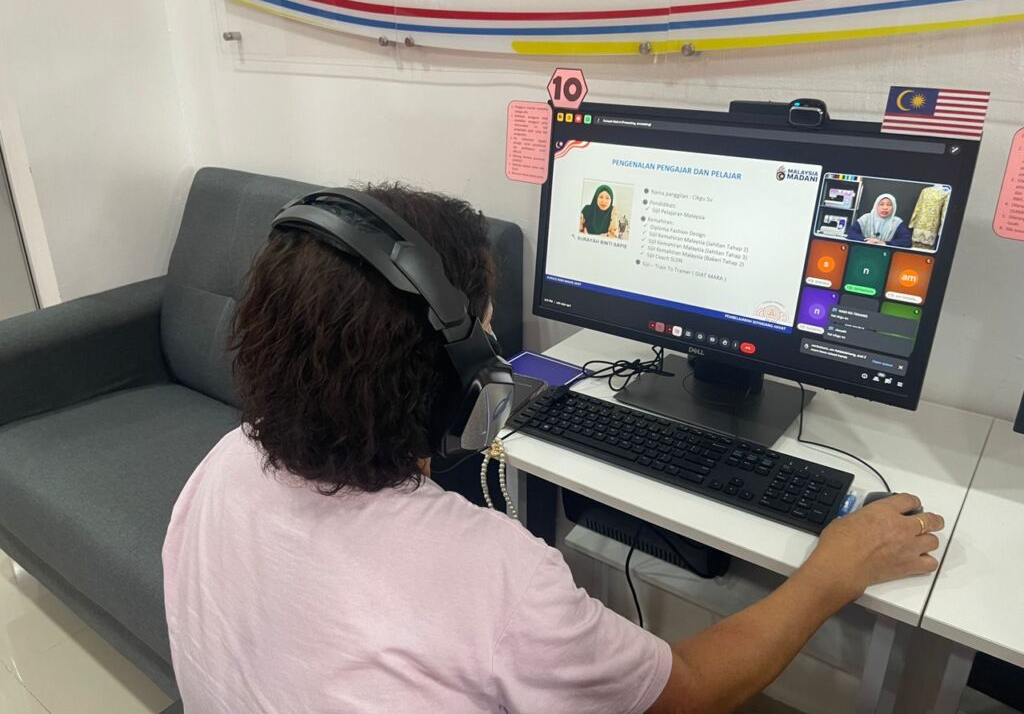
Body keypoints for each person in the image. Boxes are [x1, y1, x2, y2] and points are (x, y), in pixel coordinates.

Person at [163, 183, 944, 714]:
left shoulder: (223, 464)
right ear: (458, 379)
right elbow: (691, 689)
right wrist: (832, 572)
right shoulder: (496, 573)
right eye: (488, 334)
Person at [848, 193, 912, 247]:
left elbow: (907, 241)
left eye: (889, 205)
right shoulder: (866, 218)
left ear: (894, 207)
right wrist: (865, 240)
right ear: (876, 206)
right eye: (881, 204)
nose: (885, 207)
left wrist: (885, 243)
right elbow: (849, 233)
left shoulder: (897, 222)